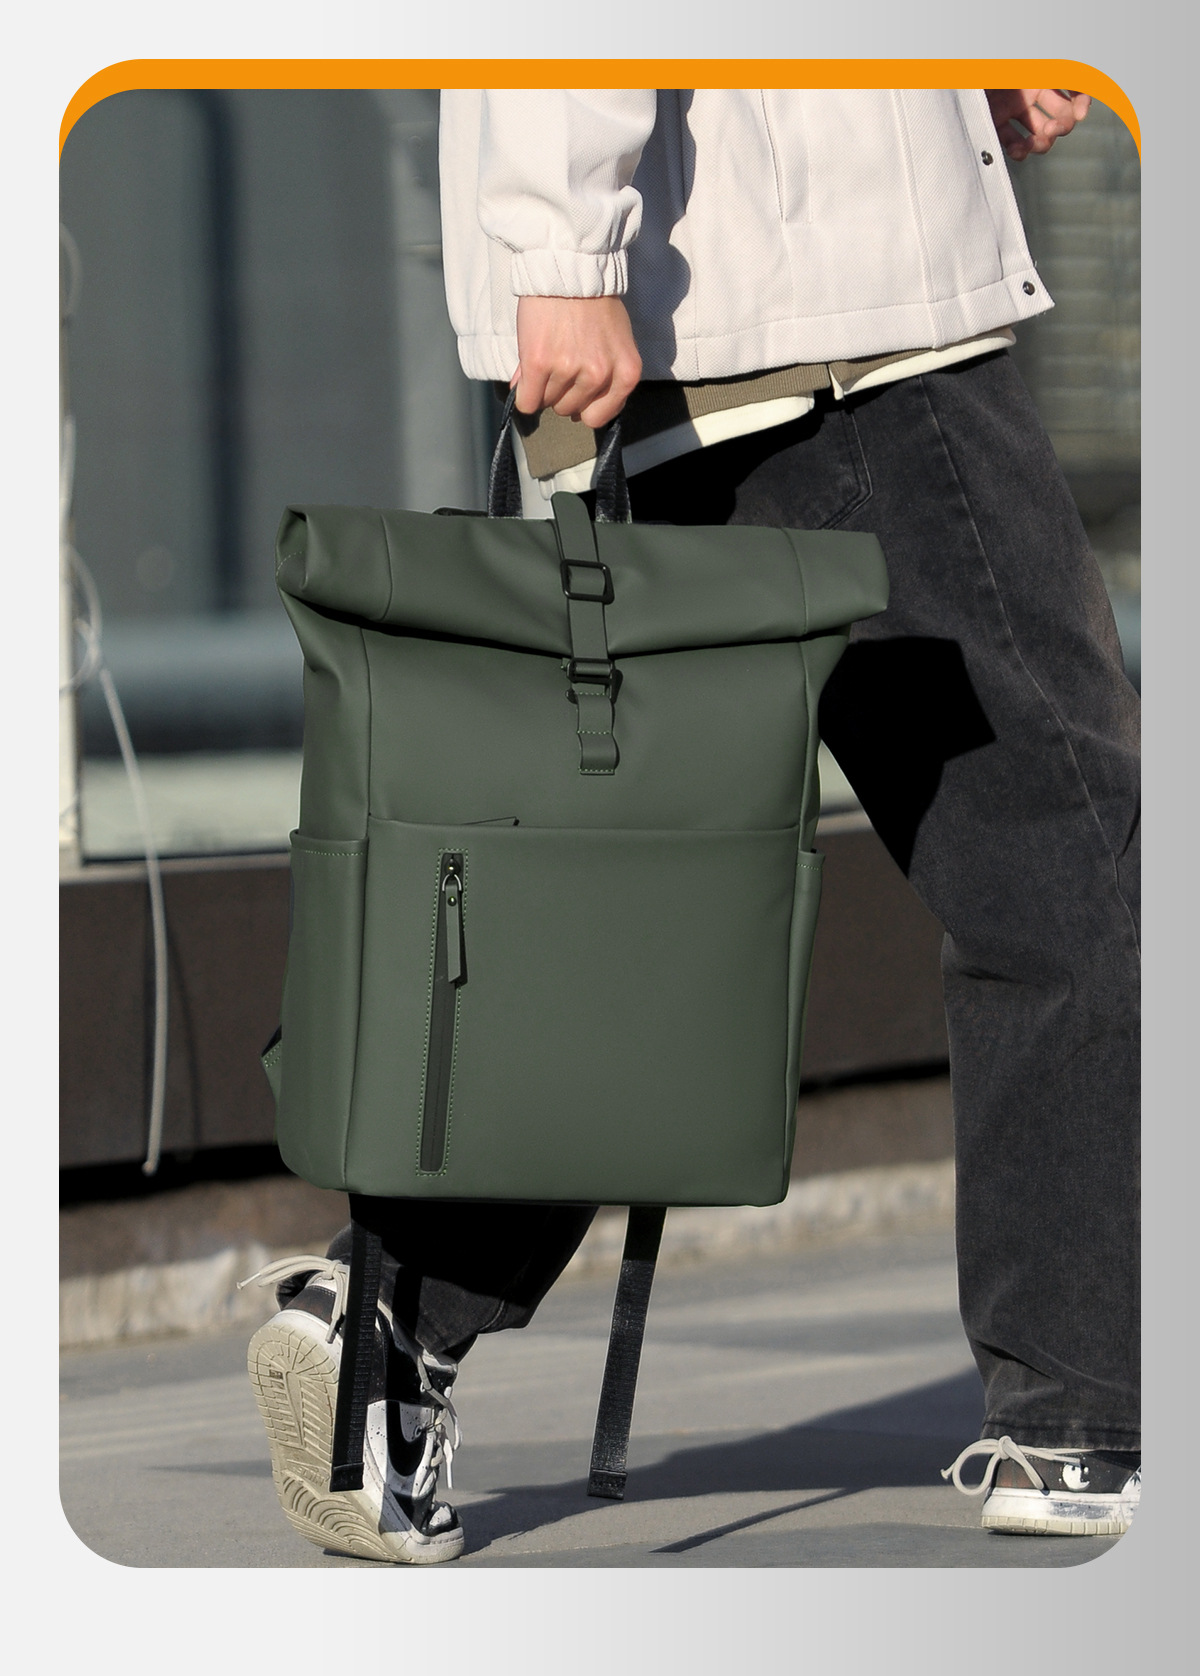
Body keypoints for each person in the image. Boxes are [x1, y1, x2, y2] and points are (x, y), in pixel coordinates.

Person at [247, 87, 1139, 1559]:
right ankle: (1085, 1412)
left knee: (647, 908)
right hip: (837, 329)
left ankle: (393, 1318)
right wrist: (561, 253)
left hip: (677, 334)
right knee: (1073, 862)